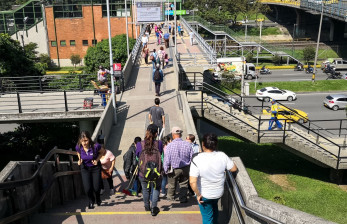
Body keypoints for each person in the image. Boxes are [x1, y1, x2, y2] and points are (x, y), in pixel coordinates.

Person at [189, 133, 238, 224]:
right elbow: (234, 168)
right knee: (214, 209)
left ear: (203, 144)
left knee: (207, 217)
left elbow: (192, 182)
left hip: (204, 195)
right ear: (215, 145)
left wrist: (198, 194)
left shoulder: (197, 159)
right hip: (218, 192)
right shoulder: (222, 155)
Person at [137, 124, 163, 216]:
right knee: (156, 189)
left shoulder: (140, 144)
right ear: (156, 133)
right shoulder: (159, 143)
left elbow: (138, 155)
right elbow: (161, 153)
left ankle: (147, 206)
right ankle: (154, 208)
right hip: (157, 171)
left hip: (143, 172)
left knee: (145, 189)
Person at [164, 127, 193, 203]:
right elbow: (191, 157)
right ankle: (183, 198)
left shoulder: (170, 146)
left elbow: (167, 159)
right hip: (185, 167)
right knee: (184, 184)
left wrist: (166, 169)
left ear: (173, 135)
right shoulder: (187, 144)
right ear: (180, 135)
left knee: (171, 184)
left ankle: (170, 198)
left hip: (174, 168)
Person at [75, 131, 102, 209]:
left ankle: (98, 197)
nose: (84, 143)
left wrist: (97, 160)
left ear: (89, 139)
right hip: (85, 168)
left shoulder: (96, 146)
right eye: (82, 141)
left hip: (95, 168)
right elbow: (78, 152)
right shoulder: (78, 146)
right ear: (80, 140)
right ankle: (91, 200)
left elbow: (102, 152)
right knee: (87, 189)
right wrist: (79, 159)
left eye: (86, 140)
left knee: (96, 188)